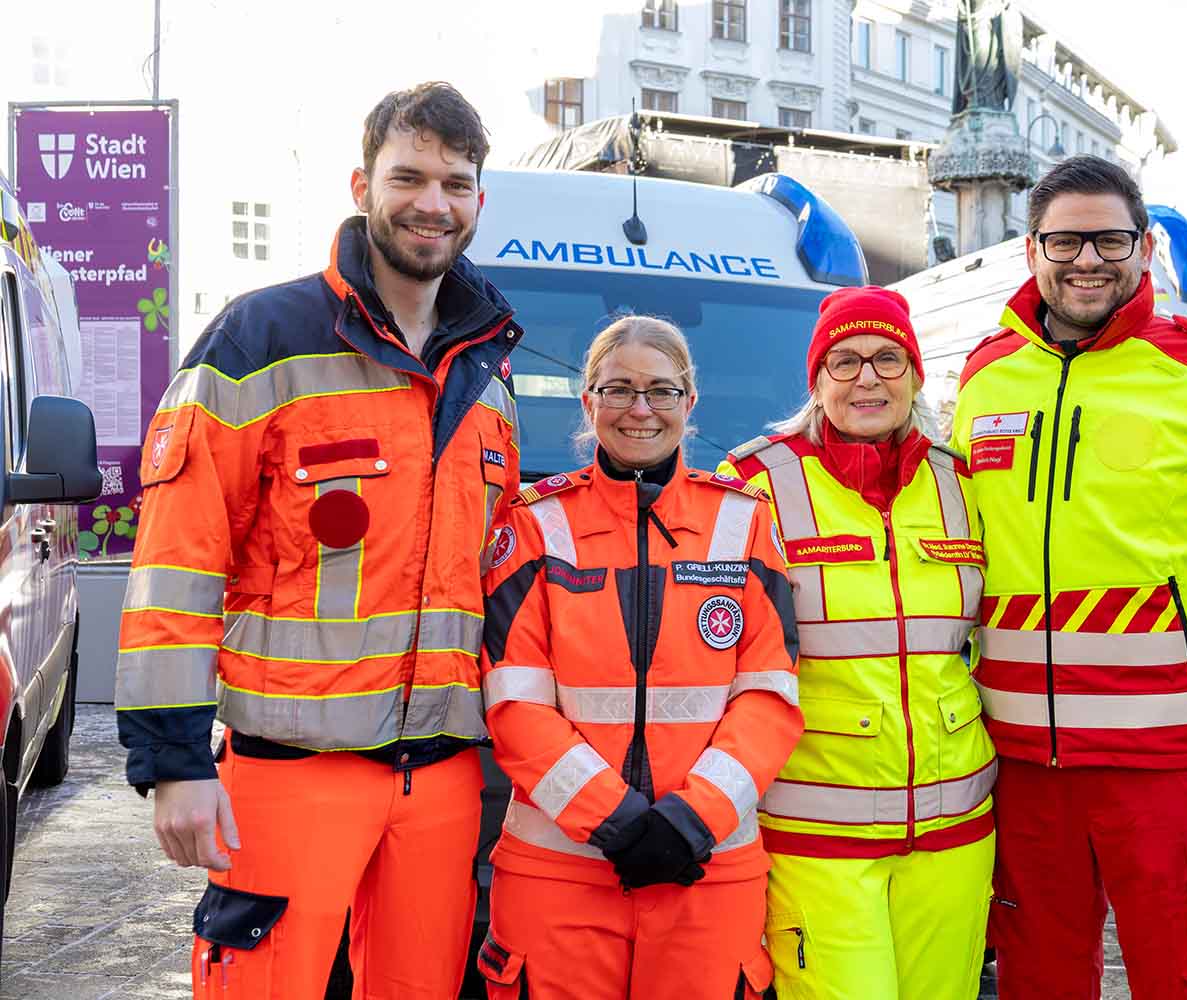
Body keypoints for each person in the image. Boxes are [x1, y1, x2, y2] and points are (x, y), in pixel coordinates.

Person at [115, 82, 522, 998]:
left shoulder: (487, 373)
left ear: (477, 203)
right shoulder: (260, 339)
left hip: (446, 780)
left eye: (455, 183)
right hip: (293, 774)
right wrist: (173, 762)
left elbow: (496, 581)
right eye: (408, 176)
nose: (432, 203)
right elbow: (176, 562)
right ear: (361, 184)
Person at [951, 155, 1187, 1000]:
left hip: (1166, 764)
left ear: (1145, 246)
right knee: (1036, 980)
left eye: (1109, 239)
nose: (1087, 259)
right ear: (1032, 250)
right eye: (1065, 240)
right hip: (1018, 763)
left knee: (1179, 979)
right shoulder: (984, 378)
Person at [476, 316, 801, 1000]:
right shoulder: (535, 524)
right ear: (588, 402)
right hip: (560, 873)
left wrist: (690, 821)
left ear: (691, 402)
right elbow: (513, 702)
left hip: (705, 867)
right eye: (619, 389)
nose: (641, 409)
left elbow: (768, 699)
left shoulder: (743, 522)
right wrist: (618, 823)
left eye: (661, 390)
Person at [721, 286, 997, 1000]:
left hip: (955, 833)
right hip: (817, 837)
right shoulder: (752, 485)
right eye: (844, 362)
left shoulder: (964, 482)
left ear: (914, 374)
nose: (867, 377)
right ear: (816, 381)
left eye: (886, 358)